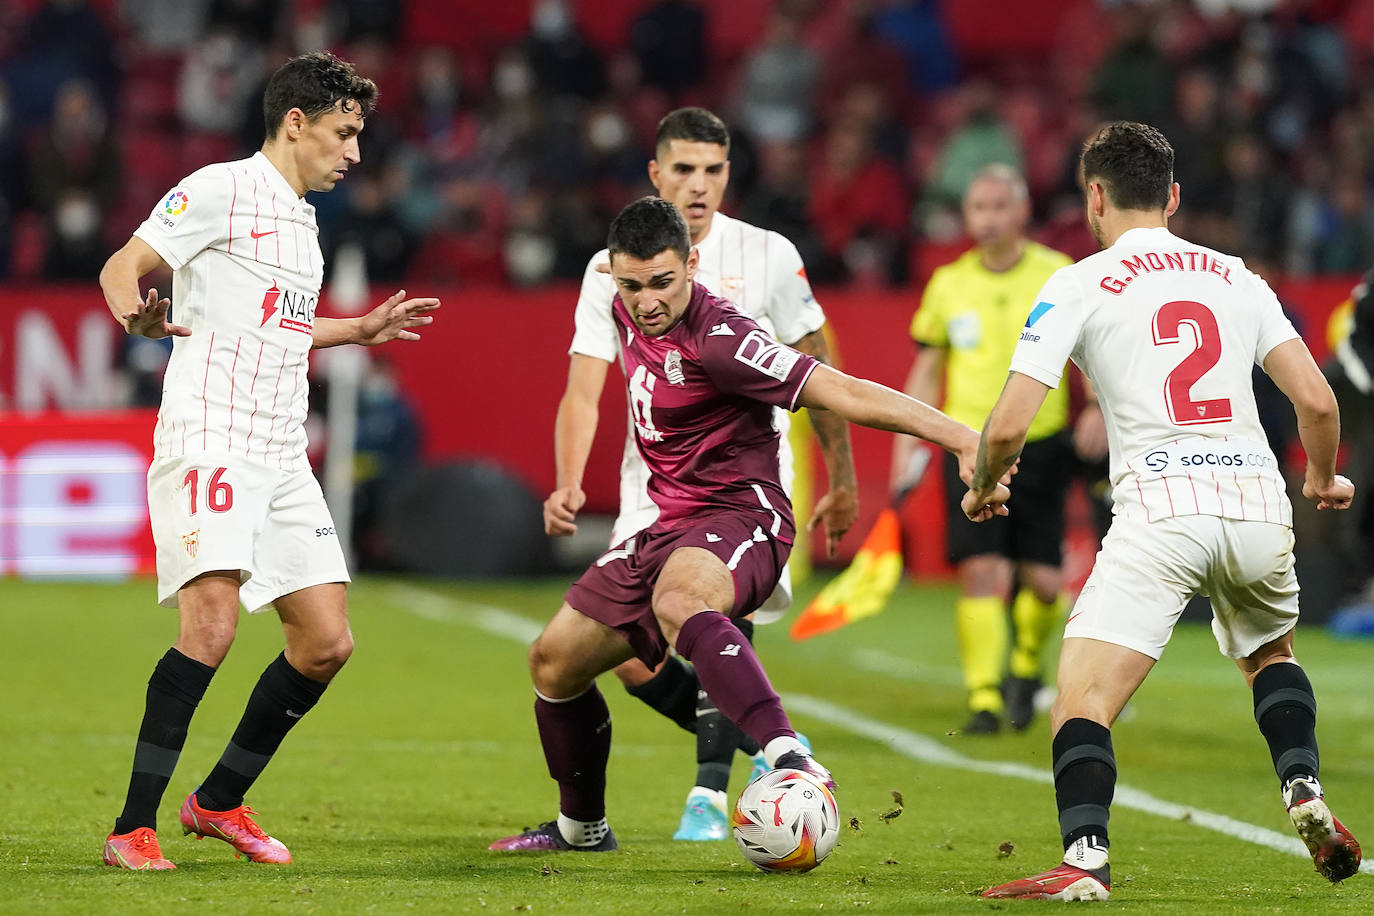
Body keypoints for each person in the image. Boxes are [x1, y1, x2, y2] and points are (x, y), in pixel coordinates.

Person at [491, 196, 1005, 854]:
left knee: (681, 601)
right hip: (668, 521)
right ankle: (582, 829)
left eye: (661, 282)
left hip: (742, 514)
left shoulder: (723, 339)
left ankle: (789, 756)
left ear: (692, 265)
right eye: (631, 285)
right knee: (554, 661)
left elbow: (841, 389)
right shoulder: (623, 302)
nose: (647, 301)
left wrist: (963, 439)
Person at [964, 121, 1361, 901]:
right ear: (1172, 196)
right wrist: (1321, 478)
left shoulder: (1078, 283)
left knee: (1083, 698)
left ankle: (1085, 858)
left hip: (1160, 506)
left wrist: (983, 483)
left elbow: (1008, 426)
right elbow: (1317, 400)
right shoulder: (1237, 278)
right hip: (1254, 501)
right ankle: (1303, 786)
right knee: (1270, 656)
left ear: (1095, 197)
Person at [97, 51, 439, 871]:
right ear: (295, 122)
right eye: (343, 132)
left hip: (282, 452)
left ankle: (218, 802)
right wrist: (135, 318)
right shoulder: (220, 188)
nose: (354, 152)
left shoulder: (304, 221)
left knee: (325, 641)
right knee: (211, 627)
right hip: (211, 435)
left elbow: (279, 324)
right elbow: (121, 268)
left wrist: (355, 330)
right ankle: (131, 829)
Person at [551, 107, 858, 842]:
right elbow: (584, 387)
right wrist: (569, 478)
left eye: (713, 170)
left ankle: (710, 794)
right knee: (624, 660)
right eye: (684, 169)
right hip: (651, 483)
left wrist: (842, 476)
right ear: (656, 173)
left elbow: (820, 368)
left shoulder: (769, 256)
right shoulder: (613, 268)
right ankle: (772, 745)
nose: (699, 185)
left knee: (704, 612)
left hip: (738, 484)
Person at [891, 164, 1089, 734]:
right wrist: (910, 438)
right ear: (967, 215)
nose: (989, 218)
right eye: (979, 207)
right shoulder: (948, 284)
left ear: (1023, 211)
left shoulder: (1058, 274)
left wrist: (1098, 408)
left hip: (1042, 443)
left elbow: (1089, 352)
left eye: (1001, 206)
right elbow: (928, 369)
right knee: (980, 570)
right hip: (969, 448)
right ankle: (984, 698)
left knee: (1044, 582)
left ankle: (1024, 666)